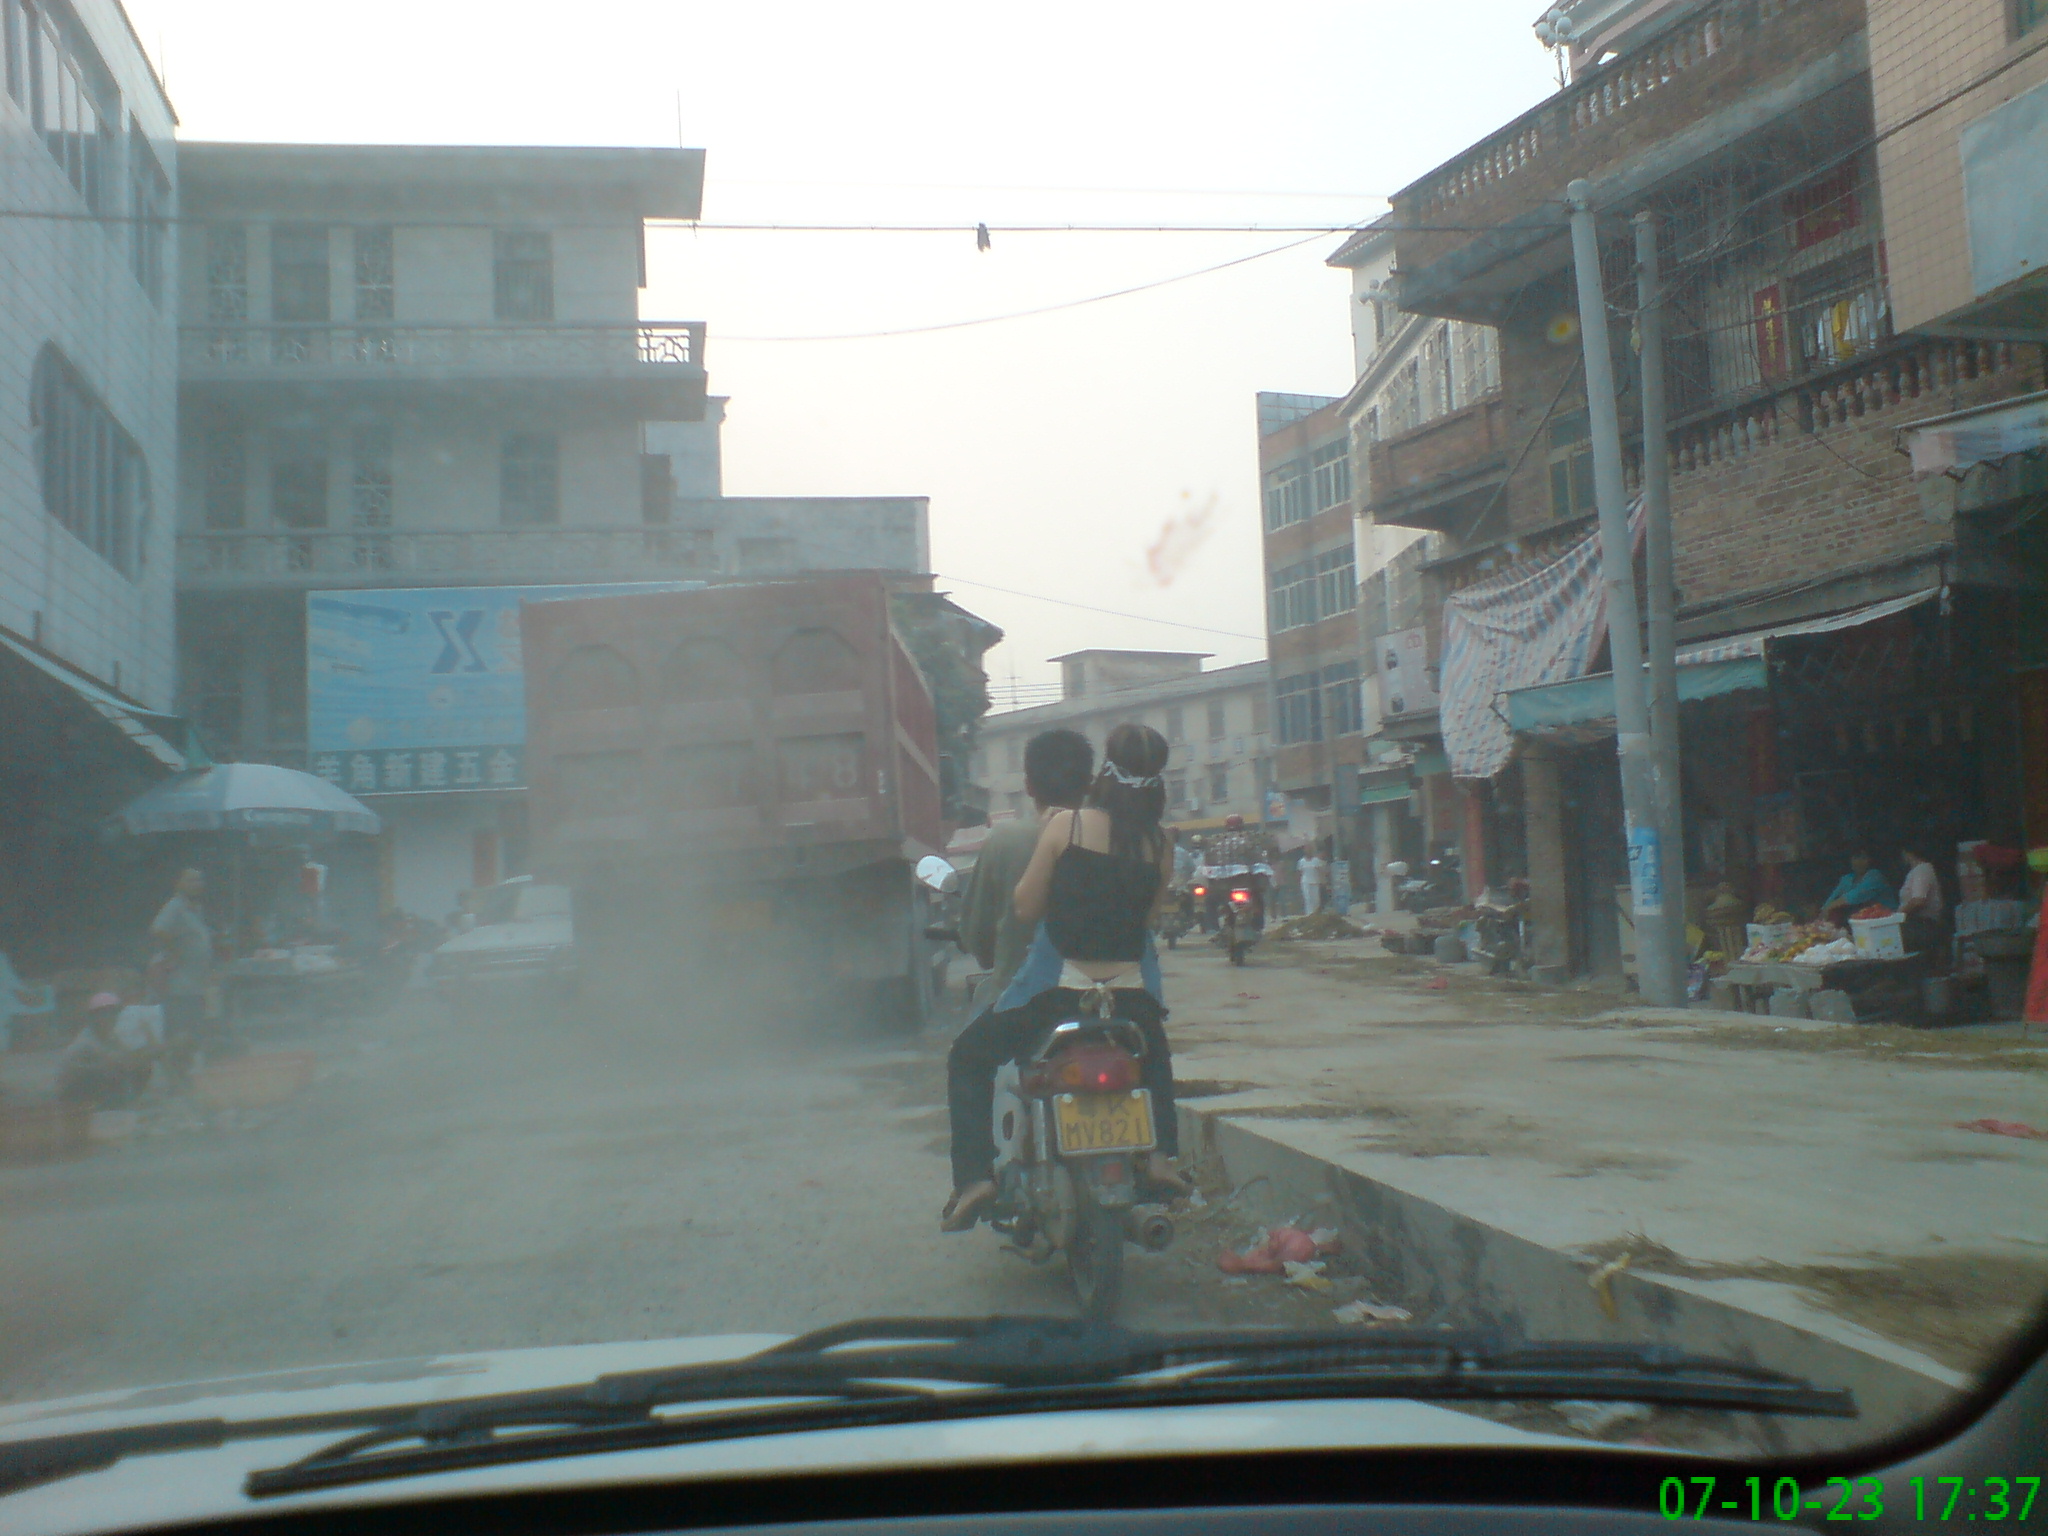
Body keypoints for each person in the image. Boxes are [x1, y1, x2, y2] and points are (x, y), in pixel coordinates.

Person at [941, 722, 1186, 1230]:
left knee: (967, 1056)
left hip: (1058, 995)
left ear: (1104, 773)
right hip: (1129, 1000)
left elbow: (1026, 908)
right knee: (1156, 1060)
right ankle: (1162, 1156)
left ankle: (975, 1179)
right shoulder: (1161, 844)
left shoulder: (1066, 827)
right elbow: (1146, 921)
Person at [955, 729, 1094, 1015]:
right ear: (1088, 785)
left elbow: (979, 937)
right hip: (1099, 1002)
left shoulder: (1004, 840)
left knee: (969, 1041)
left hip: (1019, 1007)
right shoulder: (1113, 838)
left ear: (1029, 786)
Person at [149, 867, 216, 1072]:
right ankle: (176, 1076)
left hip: (195, 985)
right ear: (179, 884)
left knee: (194, 1034)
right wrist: (173, 953)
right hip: (179, 987)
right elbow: (159, 930)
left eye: (199, 880)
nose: (197, 884)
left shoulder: (195, 909)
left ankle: (189, 1074)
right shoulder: (175, 907)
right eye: (191, 880)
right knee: (180, 1035)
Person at [56, 992, 160, 1108]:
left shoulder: (110, 1037)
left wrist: (148, 1051)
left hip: (93, 1084)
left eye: (113, 1014)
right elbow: (117, 1062)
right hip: (73, 1093)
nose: (109, 1018)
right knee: (116, 1072)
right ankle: (108, 1106)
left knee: (141, 1067)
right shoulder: (86, 1042)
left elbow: (126, 1055)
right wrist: (146, 1054)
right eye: (103, 1014)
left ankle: (123, 1103)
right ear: (93, 1017)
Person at [1899, 844, 1947, 967]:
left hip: (1923, 926)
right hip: (1917, 925)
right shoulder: (1916, 871)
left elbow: (1919, 900)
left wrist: (1897, 915)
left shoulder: (1922, 869)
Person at [1820, 851, 1897, 921]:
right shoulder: (1847, 879)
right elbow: (1832, 898)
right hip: (1861, 922)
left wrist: (1830, 907)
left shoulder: (1875, 876)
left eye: (1863, 858)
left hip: (1886, 920)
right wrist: (1825, 911)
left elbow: (1856, 895)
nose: (1859, 862)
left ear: (1870, 860)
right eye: (1856, 858)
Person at [1299, 847, 1327, 916]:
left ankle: (1315, 914)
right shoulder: (1301, 861)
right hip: (1305, 882)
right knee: (1308, 898)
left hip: (1315, 882)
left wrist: (1322, 880)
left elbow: (1321, 871)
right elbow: (1300, 872)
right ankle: (1309, 914)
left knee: (1316, 899)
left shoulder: (1316, 861)